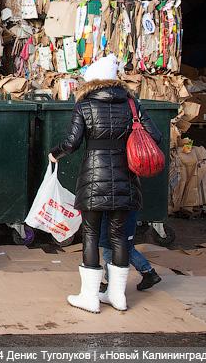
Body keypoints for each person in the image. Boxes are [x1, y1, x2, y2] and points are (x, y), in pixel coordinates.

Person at [50, 55, 162, 313]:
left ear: (92, 81)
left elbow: (72, 143)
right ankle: (117, 296)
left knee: (90, 234)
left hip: (93, 178)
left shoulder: (84, 105)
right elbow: (155, 136)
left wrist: (54, 153)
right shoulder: (132, 104)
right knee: (119, 236)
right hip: (126, 178)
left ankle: (89, 297)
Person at [99, 211, 161, 295]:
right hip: (127, 216)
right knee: (128, 248)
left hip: (114, 219)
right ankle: (148, 273)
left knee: (110, 252)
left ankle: (112, 285)